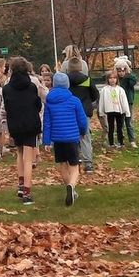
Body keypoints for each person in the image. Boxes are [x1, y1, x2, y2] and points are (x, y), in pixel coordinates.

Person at [42, 72, 88, 207]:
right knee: (74, 166)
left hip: (58, 139)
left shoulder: (49, 102)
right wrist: (83, 132)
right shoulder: (74, 101)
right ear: (67, 85)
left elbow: (47, 123)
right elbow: (82, 120)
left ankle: (69, 187)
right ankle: (72, 186)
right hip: (72, 138)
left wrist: (46, 141)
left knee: (62, 164)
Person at [3, 57, 43, 204]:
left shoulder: (6, 88)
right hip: (30, 124)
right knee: (28, 158)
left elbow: (7, 106)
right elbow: (37, 104)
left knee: (19, 153)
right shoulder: (32, 86)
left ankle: (21, 184)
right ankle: (27, 191)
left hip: (15, 124)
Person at [63, 54, 98, 175]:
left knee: (73, 137)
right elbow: (95, 94)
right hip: (84, 111)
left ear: (68, 68)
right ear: (80, 67)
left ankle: (75, 159)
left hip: (70, 112)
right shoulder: (87, 79)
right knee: (85, 137)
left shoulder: (65, 80)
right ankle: (88, 164)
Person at [99, 72, 131, 150]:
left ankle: (121, 142)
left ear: (117, 79)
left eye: (114, 78)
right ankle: (111, 143)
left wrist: (127, 111)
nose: (112, 80)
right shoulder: (104, 90)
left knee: (119, 127)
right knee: (111, 127)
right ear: (108, 79)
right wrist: (101, 111)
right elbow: (102, 101)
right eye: (110, 78)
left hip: (119, 111)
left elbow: (124, 101)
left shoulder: (120, 89)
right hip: (110, 110)